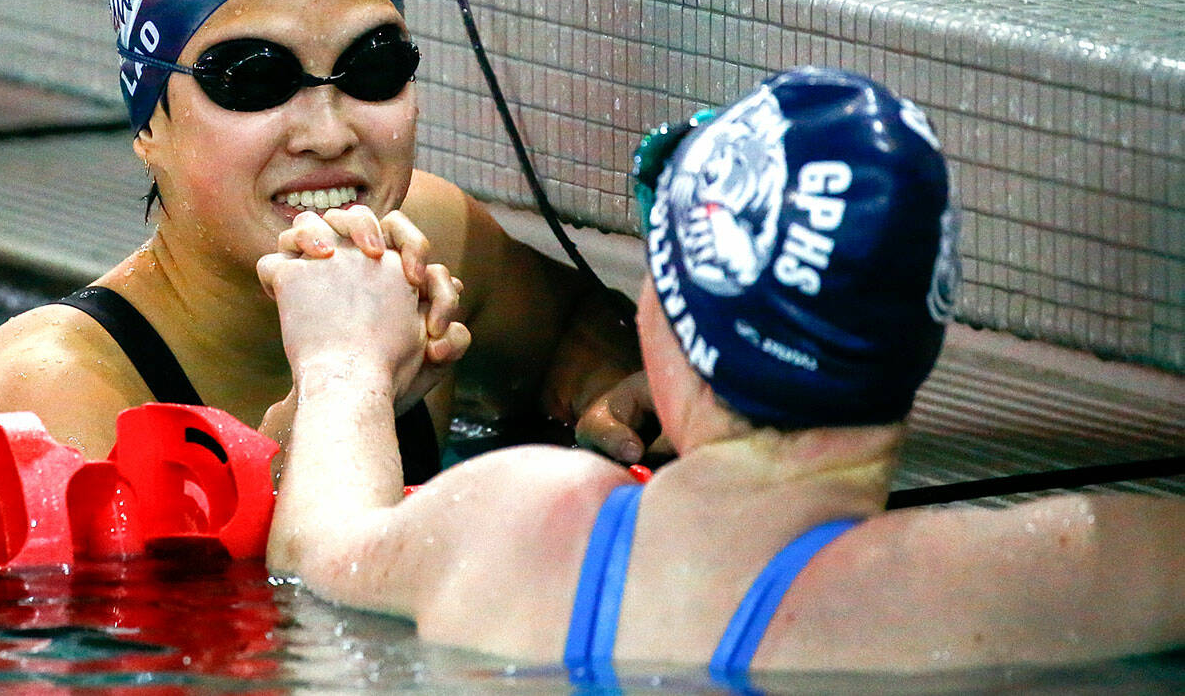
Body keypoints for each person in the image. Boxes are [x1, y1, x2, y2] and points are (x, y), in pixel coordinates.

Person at [261, 67, 1184, 677]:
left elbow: (312, 557)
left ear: (676, 320)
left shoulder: (513, 523)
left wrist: (344, 362)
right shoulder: (1028, 577)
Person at [0, 0, 648, 481]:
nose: (327, 133)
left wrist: (605, 390)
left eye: (372, 67)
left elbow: (584, 336)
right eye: (252, 79)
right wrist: (338, 401)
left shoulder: (433, 245)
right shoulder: (51, 399)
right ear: (150, 123)